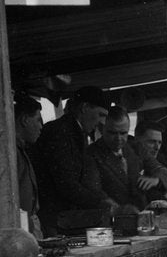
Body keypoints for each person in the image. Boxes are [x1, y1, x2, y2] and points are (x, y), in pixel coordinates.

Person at [35, 86, 113, 235]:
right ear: (84, 108)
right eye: (100, 114)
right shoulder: (60, 132)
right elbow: (67, 184)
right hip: (54, 221)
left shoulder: (75, 132)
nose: (101, 122)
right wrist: (101, 202)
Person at [88, 106, 167, 214]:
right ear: (103, 129)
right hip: (113, 219)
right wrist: (120, 210)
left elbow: (162, 170)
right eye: (112, 133)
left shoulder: (135, 148)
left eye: (123, 133)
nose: (118, 138)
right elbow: (95, 192)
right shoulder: (92, 154)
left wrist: (156, 180)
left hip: (142, 215)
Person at [14, 94, 43, 236]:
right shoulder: (11, 152)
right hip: (21, 229)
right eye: (38, 120)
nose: (41, 127)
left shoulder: (19, 149)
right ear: (25, 120)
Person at [131, 119, 167, 201]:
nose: (157, 148)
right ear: (137, 140)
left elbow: (165, 172)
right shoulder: (127, 154)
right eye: (151, 142)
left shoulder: (157, 158)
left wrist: (157, 181)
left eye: (159, 143)